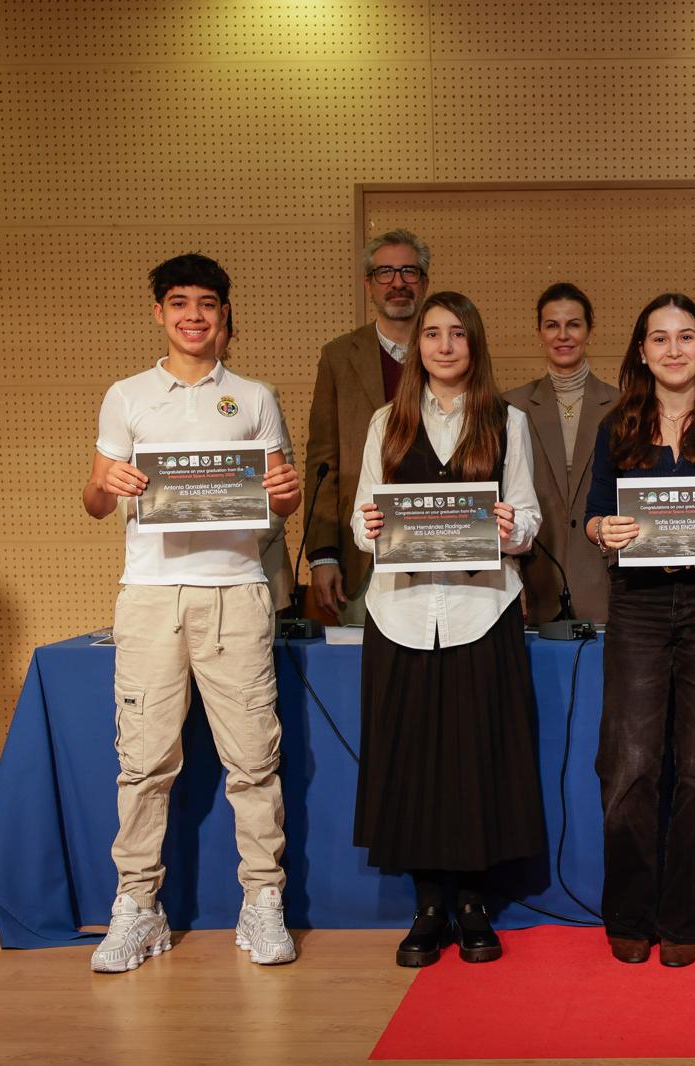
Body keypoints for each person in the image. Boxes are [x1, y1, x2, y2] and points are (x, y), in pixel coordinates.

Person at [83, 253, 301, 972]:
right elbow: (93, 500)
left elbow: (281, 501)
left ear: (224, 314)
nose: (193, 317)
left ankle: (262, 901)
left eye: (207, 304)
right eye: (179, 304)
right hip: (150, 595)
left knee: (253, 761)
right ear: (159, 313)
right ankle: (137, 908)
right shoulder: (126, 395)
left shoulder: (254, 397)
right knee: (143, 762)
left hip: (236, 591)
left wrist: (285, 491)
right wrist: (105, 483)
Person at [352, 291, 546, 968]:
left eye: (456, 334)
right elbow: (359, 522)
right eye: (432, 334)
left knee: (476, 762)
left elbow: (527, 518)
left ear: (474, 344)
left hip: (480, 611)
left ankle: (472, 904)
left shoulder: (505, 420)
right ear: (419, 348)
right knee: (411, 765)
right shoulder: (387, 421)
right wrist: (371, 529)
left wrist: (507, 528)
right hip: (401, 615)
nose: (442, 346)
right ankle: (426, 905)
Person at [584, 293, 695, 967]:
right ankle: (629, 913)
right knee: (629, 766)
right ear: (640, 351)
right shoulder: (617, 427)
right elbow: (595, 517)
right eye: (658, 338)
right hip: (637, 603)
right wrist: (604, 529)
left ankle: (685, 916)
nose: (672, 349)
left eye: (685, 336)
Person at [307, 229, 431, 624]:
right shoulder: (339, 357)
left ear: (425, 282)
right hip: (363, 552)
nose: (398, 283)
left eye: (409, 272)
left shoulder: (454, 352)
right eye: (385, 273)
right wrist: (323, 553)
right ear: (368, 284)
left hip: (444, 540)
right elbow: (322, 462)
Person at [504, 283, 618, 623]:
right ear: (539, 331)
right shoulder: (511, 406)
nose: (563, 335)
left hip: (603, 576)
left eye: (574, 324)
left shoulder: (623, 406)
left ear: (589, 330)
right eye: (552, 325)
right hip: (536, 578)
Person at [215, 305, 298, 611]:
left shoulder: (259, 395)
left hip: (258, 569)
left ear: (229, 334)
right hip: (173, 578)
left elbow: (281, 486)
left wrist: (237, 548)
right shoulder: (149, 397)